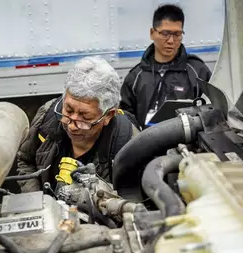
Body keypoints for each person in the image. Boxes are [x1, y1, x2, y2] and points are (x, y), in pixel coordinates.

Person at [16, 56, 139, 193]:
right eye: (68, 110)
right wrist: (39, 203)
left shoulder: (129, 144)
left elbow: (132, 198)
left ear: (108, 116)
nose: (72, 126)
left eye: (85, 117)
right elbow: (26, 162)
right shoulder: (47, 116)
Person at [120, 4, 212, 128]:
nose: (171, 41)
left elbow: (212, 111)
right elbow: (126, 118)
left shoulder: (198, 72)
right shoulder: (135, 77)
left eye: (177, 34)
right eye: (165, 33)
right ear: (152, 33)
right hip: (147, 144)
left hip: (188, 145)